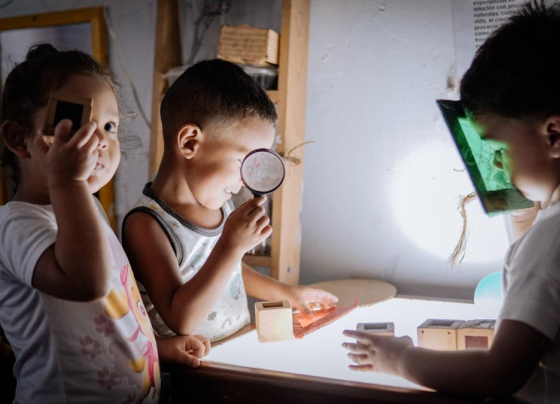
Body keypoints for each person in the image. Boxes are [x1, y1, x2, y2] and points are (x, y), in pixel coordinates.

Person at [343, 2, 560, 402]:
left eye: (498, 149)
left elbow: (499, 373)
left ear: (554, 135)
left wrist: (399, 358)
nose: (496, 167)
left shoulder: (549, 240)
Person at [0, 44, 210, 403]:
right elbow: (88, 283)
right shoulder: (14, 226)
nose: (98, 141)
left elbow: (112, 308)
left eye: (110, 126)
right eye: (74, 125)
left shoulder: (87, 209)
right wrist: (69, 181)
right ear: (19, 140)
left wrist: (157, 348)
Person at [122, 59, 338, 342]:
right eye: (243, 161)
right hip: (195, 366)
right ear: (189, 142)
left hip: (233, 350)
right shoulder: (147, 225)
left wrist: (288, 293)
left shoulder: (220, 205)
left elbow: (231, 272)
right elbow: (180, 319)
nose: (246, 180)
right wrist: (231, 246)